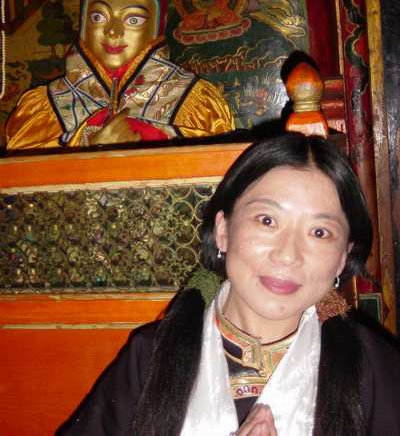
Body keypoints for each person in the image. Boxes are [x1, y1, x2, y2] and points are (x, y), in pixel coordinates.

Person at [57, 133, 400, 435]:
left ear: (342, 257)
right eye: (267, 221)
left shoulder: (373, 366)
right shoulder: (151, 356)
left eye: (319, 232)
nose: (288, 255)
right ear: (223, 230)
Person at [5, 0, 235, 150]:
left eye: (133, 20)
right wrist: (87, 145)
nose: (113, 32)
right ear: (82, 22)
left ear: (160, 25)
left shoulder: (195, 103)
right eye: (98, 17)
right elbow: (19, 181)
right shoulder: (45, 107)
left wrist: (148, 138)